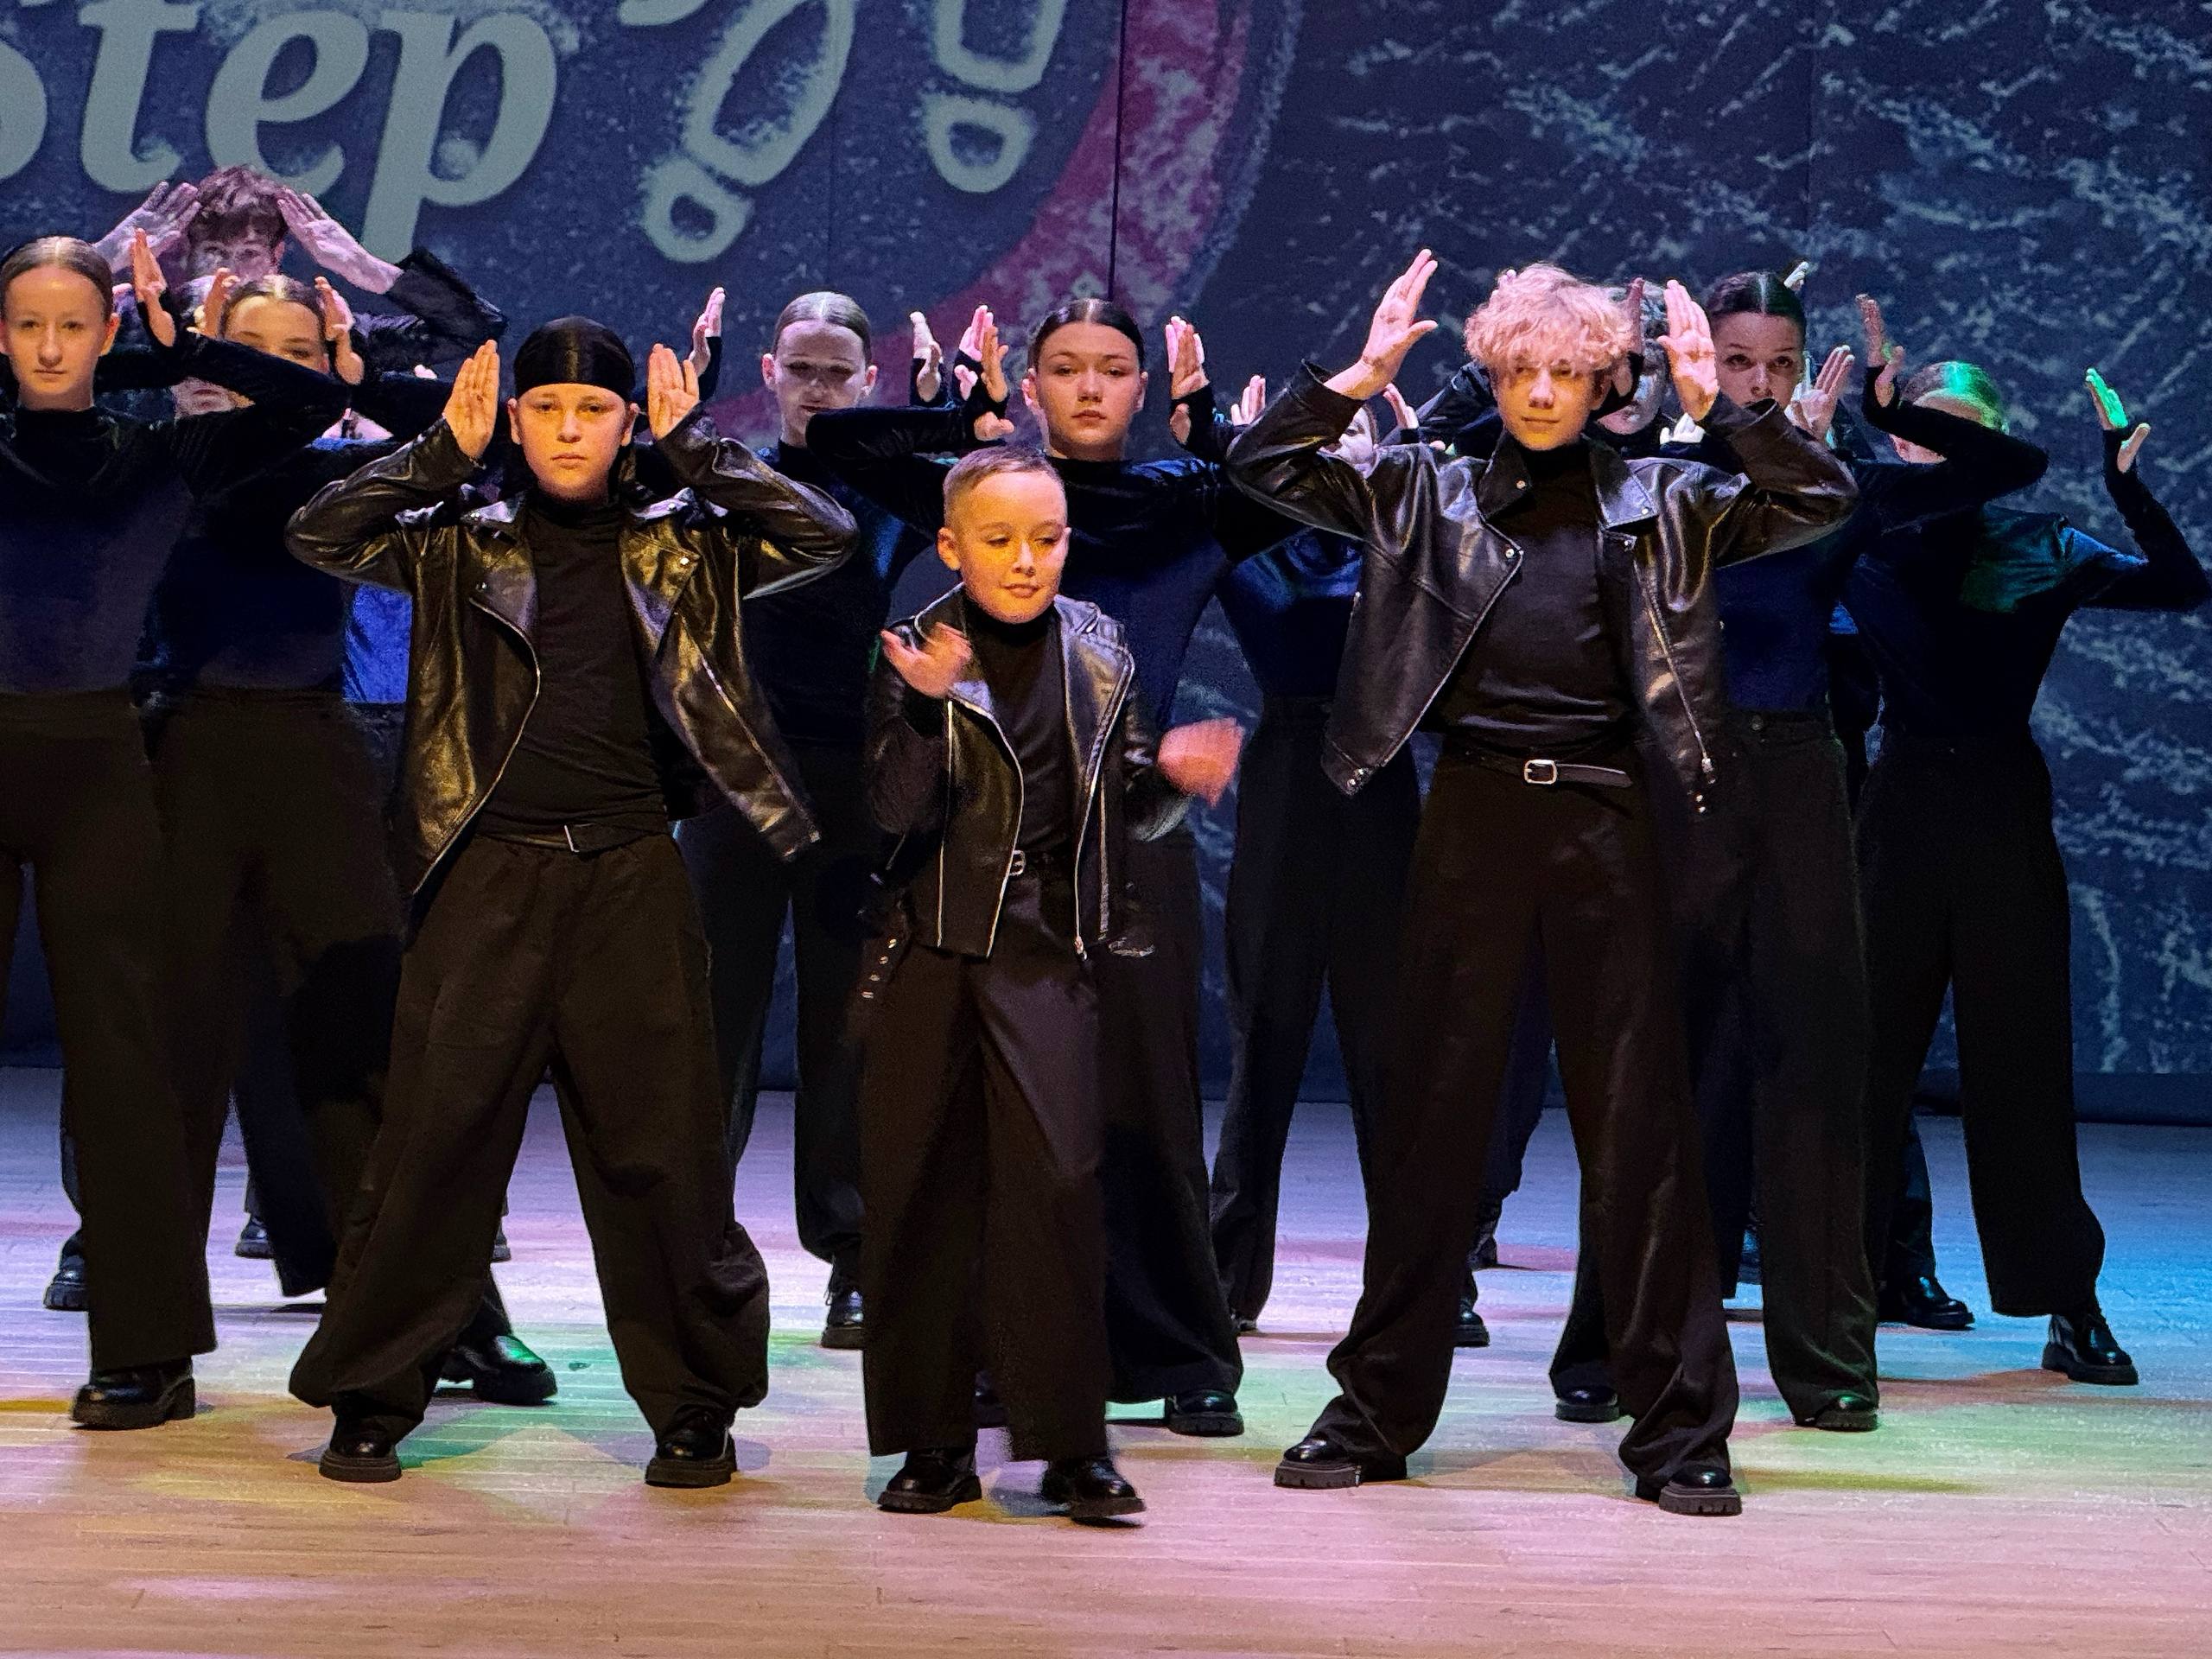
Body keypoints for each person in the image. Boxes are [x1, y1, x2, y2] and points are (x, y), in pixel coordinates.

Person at [1226, 253, 1858, 1515]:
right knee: (1433, 1124)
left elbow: (1820, 496)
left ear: (1604, 381)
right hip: (1471, 820)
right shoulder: (1426, 488)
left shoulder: (1670, 495)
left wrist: (1721, 408)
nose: (1539, 392)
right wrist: (1355, 377)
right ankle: (1377, 1407)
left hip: (1611, 819)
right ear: (1493, 372)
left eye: (1566, 371)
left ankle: (1679, 1430)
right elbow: (1263, 472)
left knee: (1641, 1132)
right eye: (1519, 369)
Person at [283, 325, 855, 1484]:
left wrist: (700, 448)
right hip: (488, 876)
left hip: (631, 876)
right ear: (514, 419)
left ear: (626, 424)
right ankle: (372, 1397)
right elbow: (318, 532)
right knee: (434, 1149)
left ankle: (693, 1405)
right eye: (543, 408)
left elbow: (824, 534)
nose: (566, 431)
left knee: (662, 1155)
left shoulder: (686, 544)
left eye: (592, 411)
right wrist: (440, 454)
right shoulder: (456, 538)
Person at [1544, 273, 2050, 1433]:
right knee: (1655, 1067)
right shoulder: (1649, 473)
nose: (1759, 383)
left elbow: (2006, 469)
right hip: (1673, 775)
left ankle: (1825, 1359)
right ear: (1697, 359)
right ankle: (1609, 1342)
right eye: (1736, 361)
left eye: (1778, 363)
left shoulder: (1831, 484)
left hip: (1798, 778)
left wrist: (1888, 411)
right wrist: (1627, 387)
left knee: (1815, 1068)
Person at [810, 299, 1302, 1437]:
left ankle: (1180, 1351)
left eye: (1113, 369)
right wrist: (960, 416)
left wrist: (1213, 426)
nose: (1089, 388)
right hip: (986, 843)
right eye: (1065, 368)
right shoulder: (991, 498)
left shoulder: (1183, 509)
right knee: (997, 1119)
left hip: (1135, 832)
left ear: (1142, 386)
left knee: (1147, 1107)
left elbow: (1288, 491)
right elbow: (839, 446)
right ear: (1030, 384)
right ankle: (1005, 1348)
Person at [137, 270, 552, 1402]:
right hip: (180, 756)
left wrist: (359, 371)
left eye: (300, 353)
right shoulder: (166, 460)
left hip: (315, 754)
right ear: (209, 353)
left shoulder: (345, 471)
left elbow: (463, 441)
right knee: (171, 1059)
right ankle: (146, 1343)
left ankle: (446, 1316)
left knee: (369, 1050)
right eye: (252, 349)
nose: (277, 373)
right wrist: (189, 356)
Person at [0, 230, 349, 1427]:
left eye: (74, 326)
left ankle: (147, 1352)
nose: (51, 348)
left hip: (99, 766)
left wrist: (179, 347)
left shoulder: (163, 453)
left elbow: (309, 403)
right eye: (28, 326)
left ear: (107, 333)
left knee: (127, 1066)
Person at [858, 445, 1242, 1521]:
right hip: (935, 950)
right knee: (925, 1199)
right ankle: (933, 1443)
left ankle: (1072, 1445)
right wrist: (925, 710)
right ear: (952, 546)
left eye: (1047, 538)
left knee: (1062, 1193)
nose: (1026, 560)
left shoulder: (1098, 648)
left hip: (1045, 953)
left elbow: (1124, 804)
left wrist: (1172, 778)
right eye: (1000, 540)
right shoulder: (918, 646)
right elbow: (890, 816)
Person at [1849, 343, 2205, 1387]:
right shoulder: (1868, 537)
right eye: (1922, 429)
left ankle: (2068, 1302)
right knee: (1864, 1063)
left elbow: (2180, 586)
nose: (1938, 448)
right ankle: (1841, 1291)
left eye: (1964, 431)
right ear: (1899, 440)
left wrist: (2127, 488)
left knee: (2022, 1068)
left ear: (1996, 446)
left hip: (2003, 809)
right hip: (1898, 809)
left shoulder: (2038, 541)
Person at [675, 290, 938, 1350]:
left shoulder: (885, 492)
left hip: (850, 785)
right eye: (801, 369)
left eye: (838, 373)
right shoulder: (731, 482)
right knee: (714, 1017)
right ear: (770, 373)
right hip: (735, 778)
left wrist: (928, 419)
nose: (818, 389)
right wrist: (684, 411)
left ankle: (854, 1256)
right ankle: (695, 1250)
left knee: (847, 1023)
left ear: (868, 381)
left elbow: (966, 478)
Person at [1172, 385, 1423, 1336]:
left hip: (1381, 780)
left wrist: (1410, 464)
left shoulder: (1407, 537)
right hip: (1288, 780)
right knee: (1266, 1036)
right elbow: (1209, 499)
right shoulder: (1256, 546)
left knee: (1388, 1044)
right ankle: (1227, 1276)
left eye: (1355, 429)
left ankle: (1423, 1279)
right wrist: (1226, 440)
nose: (1340, 444)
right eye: (1321, 430)